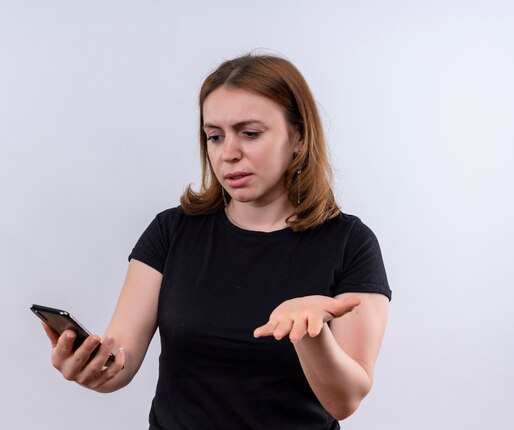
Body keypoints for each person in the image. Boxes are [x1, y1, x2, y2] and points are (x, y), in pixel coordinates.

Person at [41, 54, 391, 429]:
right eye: (215, 136)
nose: (228, 153)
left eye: (250, 133)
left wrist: (311, 333)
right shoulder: (170, 231)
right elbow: (121, 359)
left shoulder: (350, 243)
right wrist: (96, 367)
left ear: (299, 137)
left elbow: (345, 400)